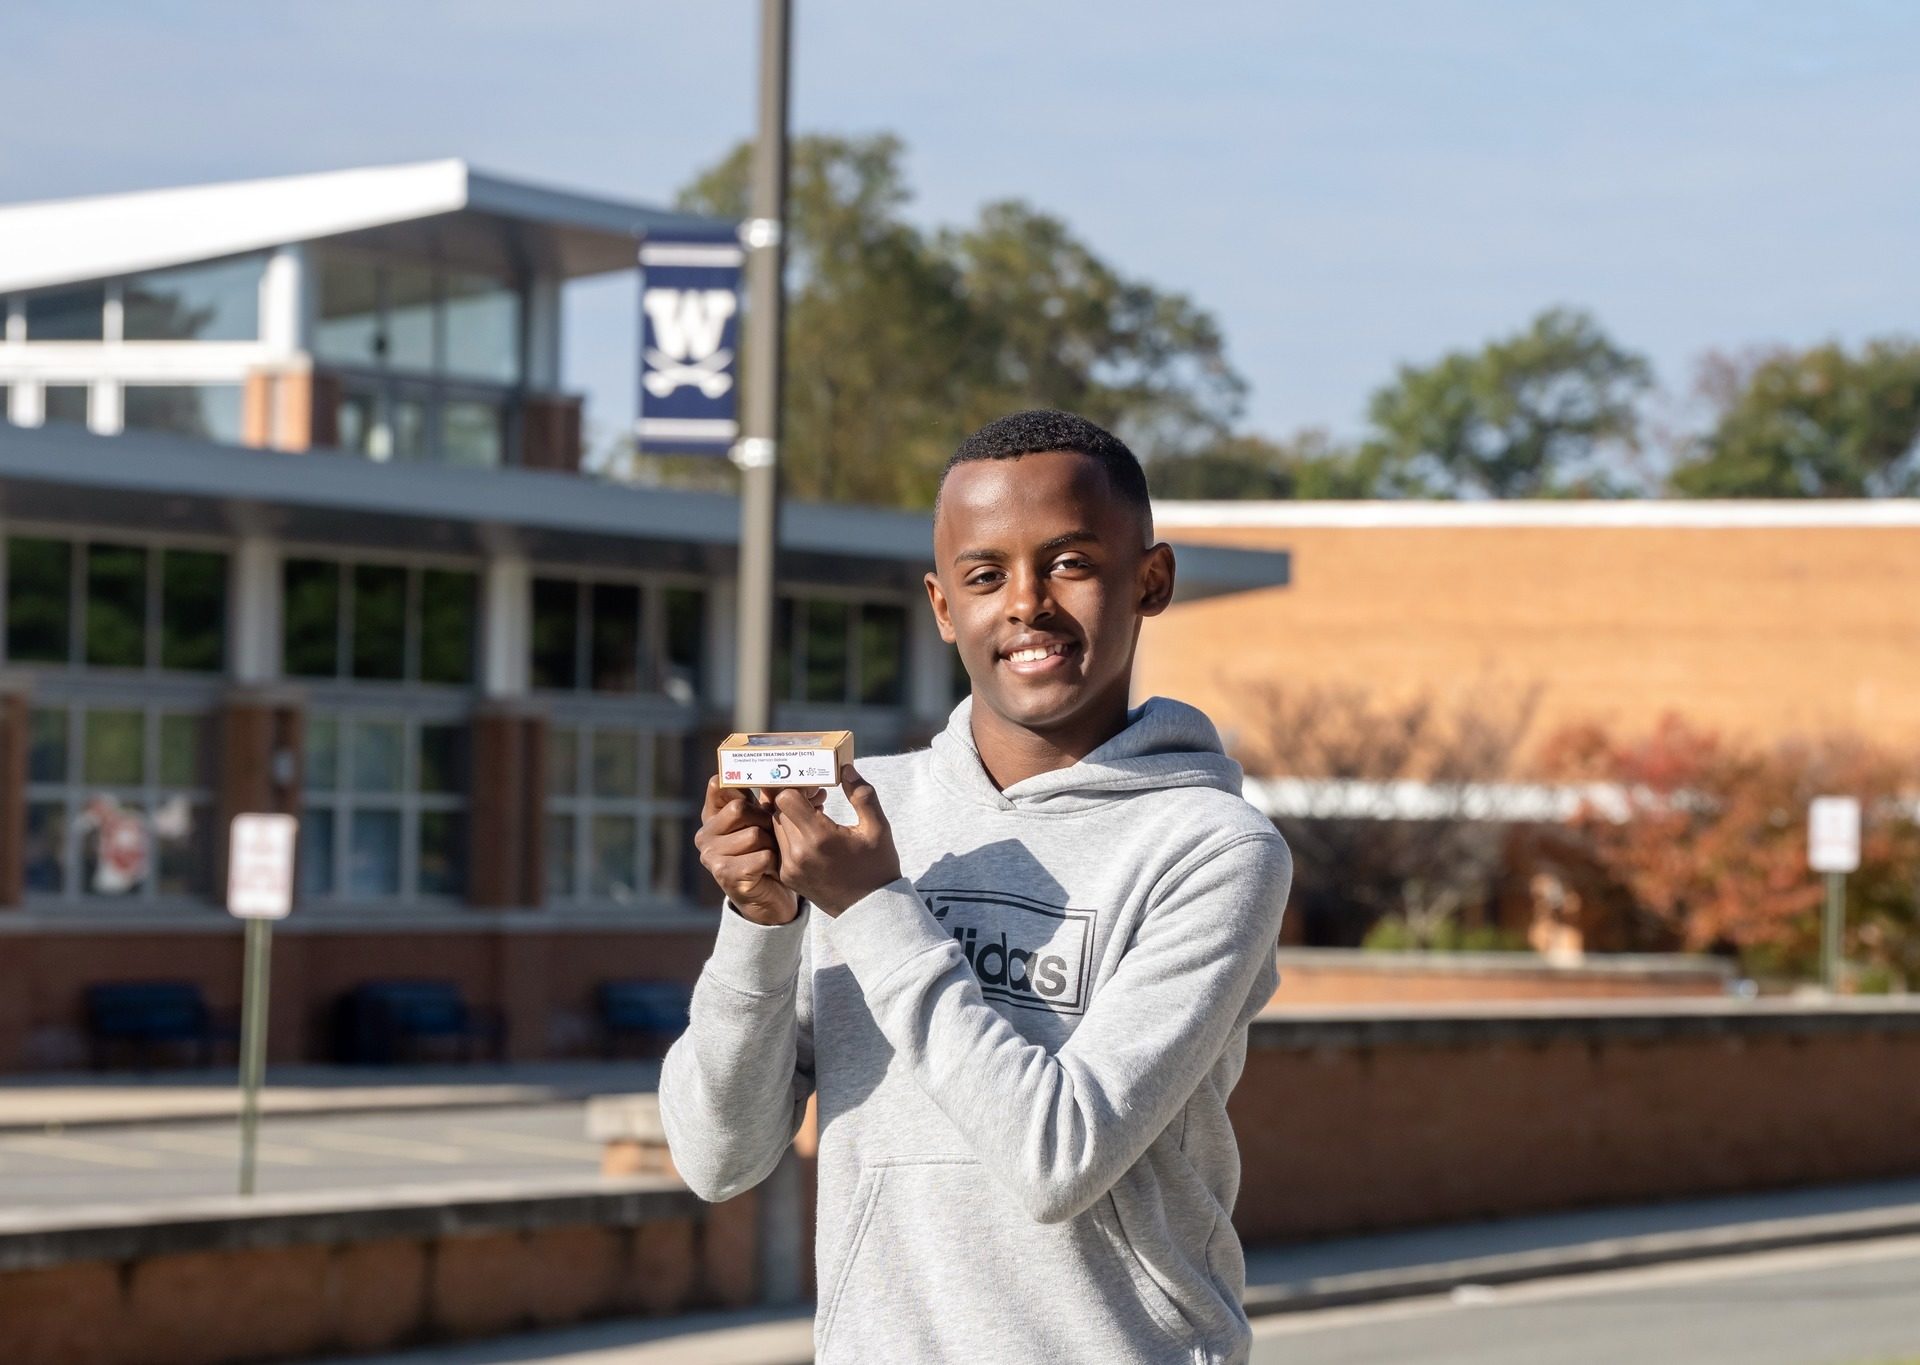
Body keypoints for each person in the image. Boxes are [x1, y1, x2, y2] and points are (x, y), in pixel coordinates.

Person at [659, 409, 1293, 1364]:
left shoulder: (1214, 848)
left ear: (1149, 580)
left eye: (1071, 562)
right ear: (944, 606)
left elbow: (1059, 1156)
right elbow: (716, 1158)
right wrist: (762, 921)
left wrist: (875, 909)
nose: (1027, 603)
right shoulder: (870, 815)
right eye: (986, 575)